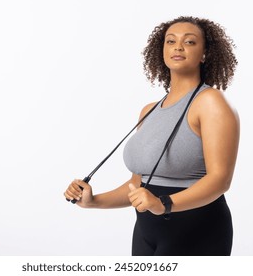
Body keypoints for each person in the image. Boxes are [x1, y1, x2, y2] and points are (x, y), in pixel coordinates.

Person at [64, 16, 240, 256]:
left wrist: (163, 203)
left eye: (189, 42)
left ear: (205, 54)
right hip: (147, 232)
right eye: (170, 41)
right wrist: (94, 201)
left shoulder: (210, 102)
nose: (178, 47)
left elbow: (221, 180)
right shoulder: (149, 111)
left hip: (197, 229)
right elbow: (137, 185)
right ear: (162, 50)